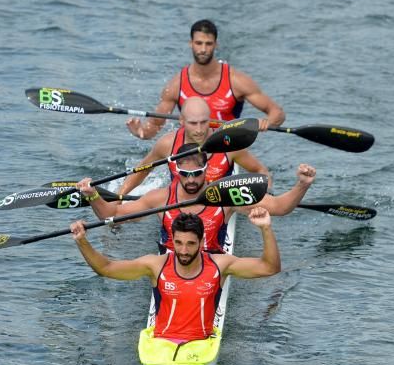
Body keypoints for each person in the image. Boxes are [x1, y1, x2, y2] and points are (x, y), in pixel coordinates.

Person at [70, 208, 279, 343]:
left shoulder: (220, 265)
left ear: (201, 241)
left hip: (202, 347)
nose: (184, 251)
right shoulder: (156, 265)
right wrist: (82, 241)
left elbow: (270, 267)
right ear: (172, 240)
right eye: (178, 243)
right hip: (161, 346)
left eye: (190, 244)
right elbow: (106, 268)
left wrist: (266, 229)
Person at [78, 151, 316, 253]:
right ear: (176, 171)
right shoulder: (159, 198)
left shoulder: (226, 196)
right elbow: (111, 215)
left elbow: (281, 207)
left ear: (207, 170)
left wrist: (302, 185)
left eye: (197, 173)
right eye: (185, 174)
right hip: (172, 268)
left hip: (213, 267)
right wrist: (93, 196)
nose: (191, 179)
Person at [126, 19, 287, 140]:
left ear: (215, 45)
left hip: (226, 149)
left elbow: (277, 113)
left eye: (208, 44)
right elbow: (154, 126)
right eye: (199, 43)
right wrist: (140, 132)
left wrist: (265, 123)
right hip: (191, 154)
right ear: (191, 44)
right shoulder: (176, 85)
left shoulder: (236, 81)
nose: (203, 49)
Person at [118, 96, 270, 197]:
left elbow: (261, 171)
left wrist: (264, 195)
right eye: (193, 123)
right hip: (181, 203)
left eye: (204, 122)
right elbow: (142, 171)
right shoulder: (167, 144)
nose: (199, 130)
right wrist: (119, 197)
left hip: (218, 205)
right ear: (182, 121)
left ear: (210, 120)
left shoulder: (229, 144)